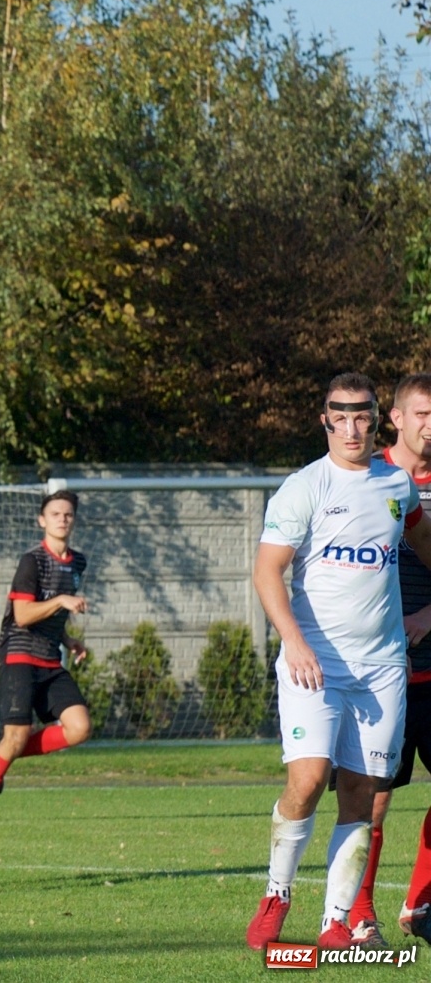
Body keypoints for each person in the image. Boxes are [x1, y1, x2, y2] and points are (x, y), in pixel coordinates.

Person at [245, 373, 431, 951]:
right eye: (340, 416)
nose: (352, 427)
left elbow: (425, 541)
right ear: (324, 420)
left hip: (382, 669)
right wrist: (294, 641)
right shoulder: (304, 487)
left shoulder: (397, 485)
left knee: (363, 792)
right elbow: (266, 570)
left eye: (362, 416)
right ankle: (277, 892)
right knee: (307, 780)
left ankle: (336, 921)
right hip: (315, 665)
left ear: (377, 420)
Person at [341, 373, 431, 948]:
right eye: (422, 413)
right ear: (395, 417)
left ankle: (419, 904)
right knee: (373, 798)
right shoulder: (365, 478)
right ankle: (359, 913)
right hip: (380, 672)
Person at [0, 491, 92, 821]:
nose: (63, 518)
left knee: (79, 727)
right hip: (19, 655)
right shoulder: (32, 560)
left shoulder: (78, 562)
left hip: (50, 659)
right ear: (42, 521)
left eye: (68, 514)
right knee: (15, 735)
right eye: (56, 514)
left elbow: (51, 613)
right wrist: (62, 600)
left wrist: (67, 639)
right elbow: (23, 615)